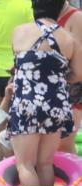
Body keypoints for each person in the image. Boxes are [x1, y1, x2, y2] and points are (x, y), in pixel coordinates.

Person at [8, 0, 80, 186]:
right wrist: (58, 79)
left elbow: (18, 63)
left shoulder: (19, 31)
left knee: (25, 164)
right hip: (56, 104)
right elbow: (78, 74)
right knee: (45, 164)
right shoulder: (68, 38)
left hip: (27, 103)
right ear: (58, 9)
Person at [56, 0, 82, 154]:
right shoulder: (42, 15)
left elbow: (78, 66)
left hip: (72, 88)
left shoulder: (76, 18)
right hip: (51, 88)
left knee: (63, 144)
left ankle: (75, 177)